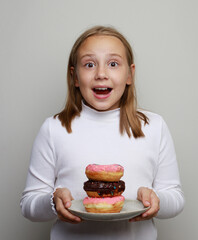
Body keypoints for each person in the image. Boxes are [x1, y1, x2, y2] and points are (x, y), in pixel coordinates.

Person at [20, 25, 185, 240]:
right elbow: (28, 204)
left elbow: (176, 198)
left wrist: (156, 199)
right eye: (89, 64)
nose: (101, 74)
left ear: (129, 74)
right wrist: (53, 201)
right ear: (75, 77)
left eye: (113, 64)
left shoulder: (154, 126)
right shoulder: (54, 128)